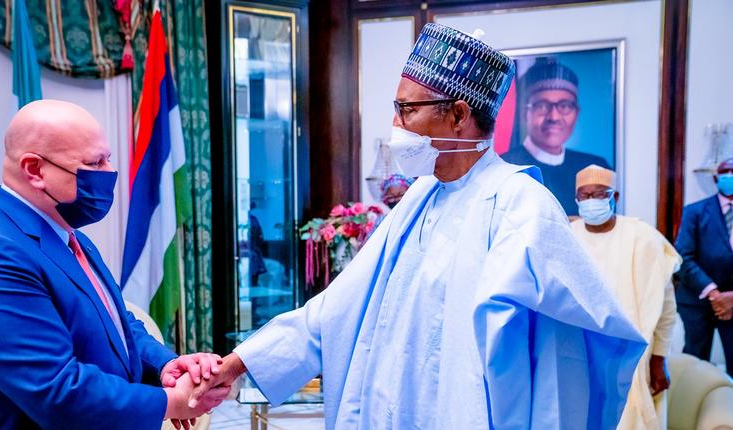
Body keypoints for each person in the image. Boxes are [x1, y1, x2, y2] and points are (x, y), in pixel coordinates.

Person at [195, 24, 645, 429]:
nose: (396, 124)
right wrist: (238, 363)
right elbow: (340, 305)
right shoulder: (419, 196)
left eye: (406, 109)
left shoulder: (521, 208)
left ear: (458, 115)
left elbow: (556, 366)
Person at [0, 100, 230, 429]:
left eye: (107, 158)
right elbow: (56, 391)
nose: (109, 174)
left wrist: (166, 365)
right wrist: (171, 402)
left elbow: (118, 326)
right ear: (35, 170)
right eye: (94, 163)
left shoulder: (68, 234)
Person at [570, 165, 680, 429]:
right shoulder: (568, 239)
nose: (590, 202)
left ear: (615, 197)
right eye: (584, 197)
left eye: (598, 194)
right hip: (580, 356)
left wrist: (658, 359)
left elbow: (665, 307)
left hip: (633, 357)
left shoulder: (643, 238)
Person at [503, 57, 612, 216]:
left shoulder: (594, 166)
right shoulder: (506, 167)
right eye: (541, 105)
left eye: (565, 106)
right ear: (524, 112)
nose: (554, 117)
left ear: (576, 113)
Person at [675, 157, 733, 376]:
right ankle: (690, 408)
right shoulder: (695, 211)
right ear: (717, 178)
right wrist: (714, 293)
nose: (731, 176)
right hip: (696, 301)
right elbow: (683, 257)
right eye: (726, 172)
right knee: (695, 364)